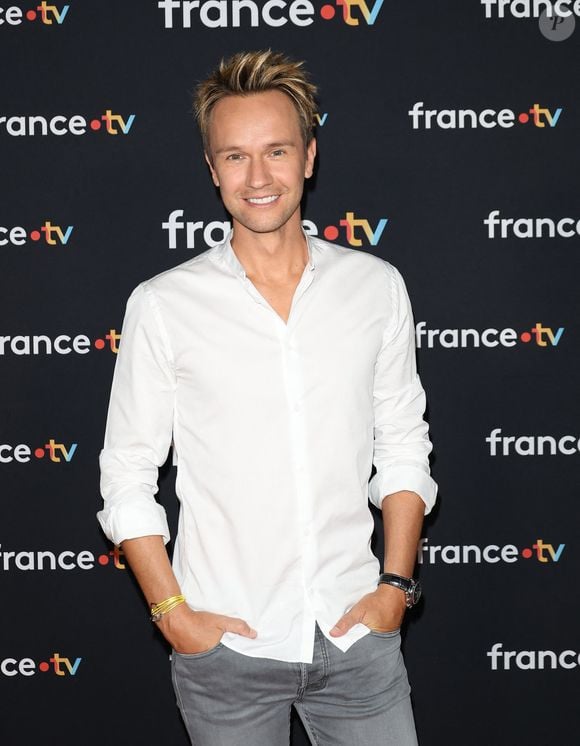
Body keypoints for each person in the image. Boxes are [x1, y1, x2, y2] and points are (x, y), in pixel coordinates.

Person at [97, 49, 437, 746]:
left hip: (358, 640)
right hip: (226, 653)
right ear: (212, 168)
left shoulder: (376, 288)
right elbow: (127, 475)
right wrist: (173, 615)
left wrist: (395, 588)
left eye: (276, 151)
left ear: (309, 157)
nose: (258, 177)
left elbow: (403, 444)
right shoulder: (164, 305)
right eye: (235, 157)